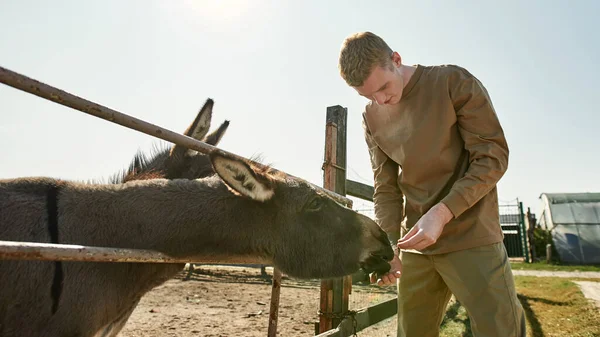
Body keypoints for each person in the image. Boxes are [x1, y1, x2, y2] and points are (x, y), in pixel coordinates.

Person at [337, 31, 526, 337]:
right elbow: (385, 187)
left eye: (383, 87)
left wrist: (442, 213)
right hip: (416, 246)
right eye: (368, 96)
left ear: (396, 60)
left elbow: (492, 158)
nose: (381, 100)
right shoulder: (371, 117)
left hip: (472, 234)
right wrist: (386, 245)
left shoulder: (453, 82)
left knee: (500, 330)